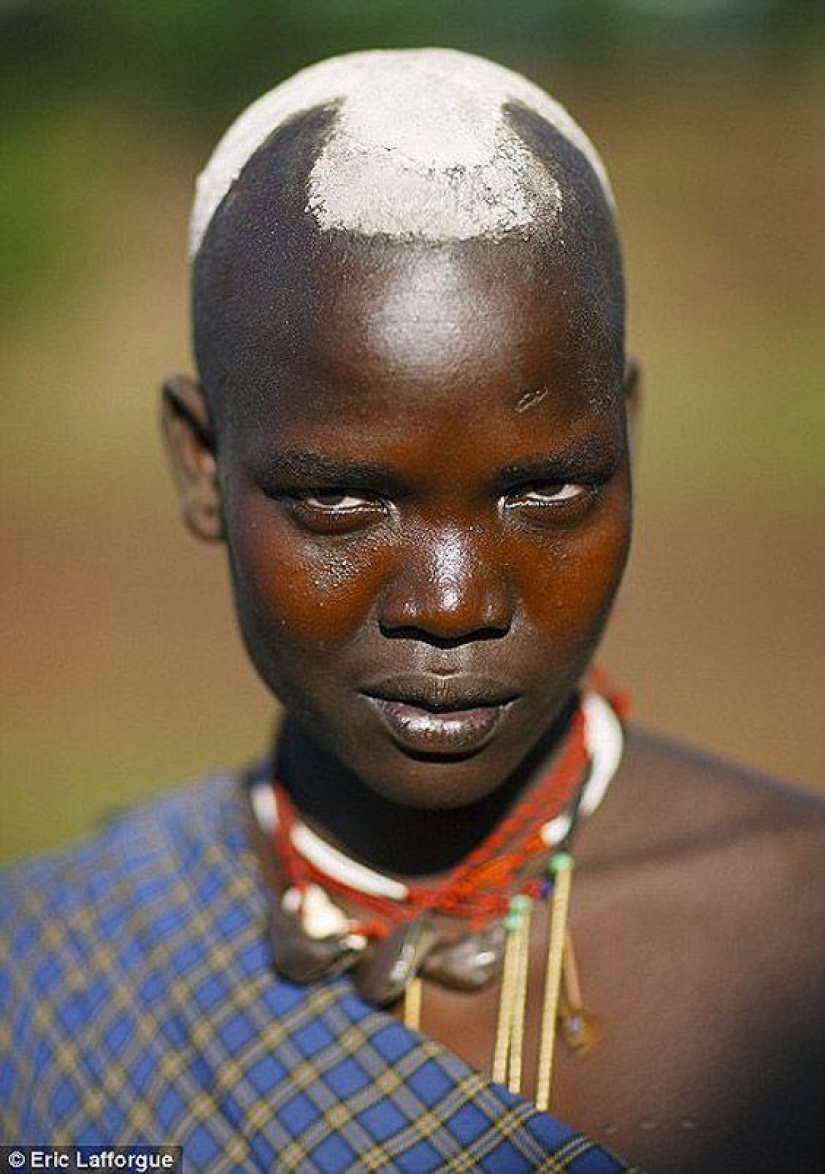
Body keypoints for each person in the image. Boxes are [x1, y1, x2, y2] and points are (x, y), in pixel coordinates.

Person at [1, 48, 823, 1173]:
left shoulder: (799, 948)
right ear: (202, 466)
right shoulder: (51, 973)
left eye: (549, 489)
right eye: (340, 498)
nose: (454, 603)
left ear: (627, 438)